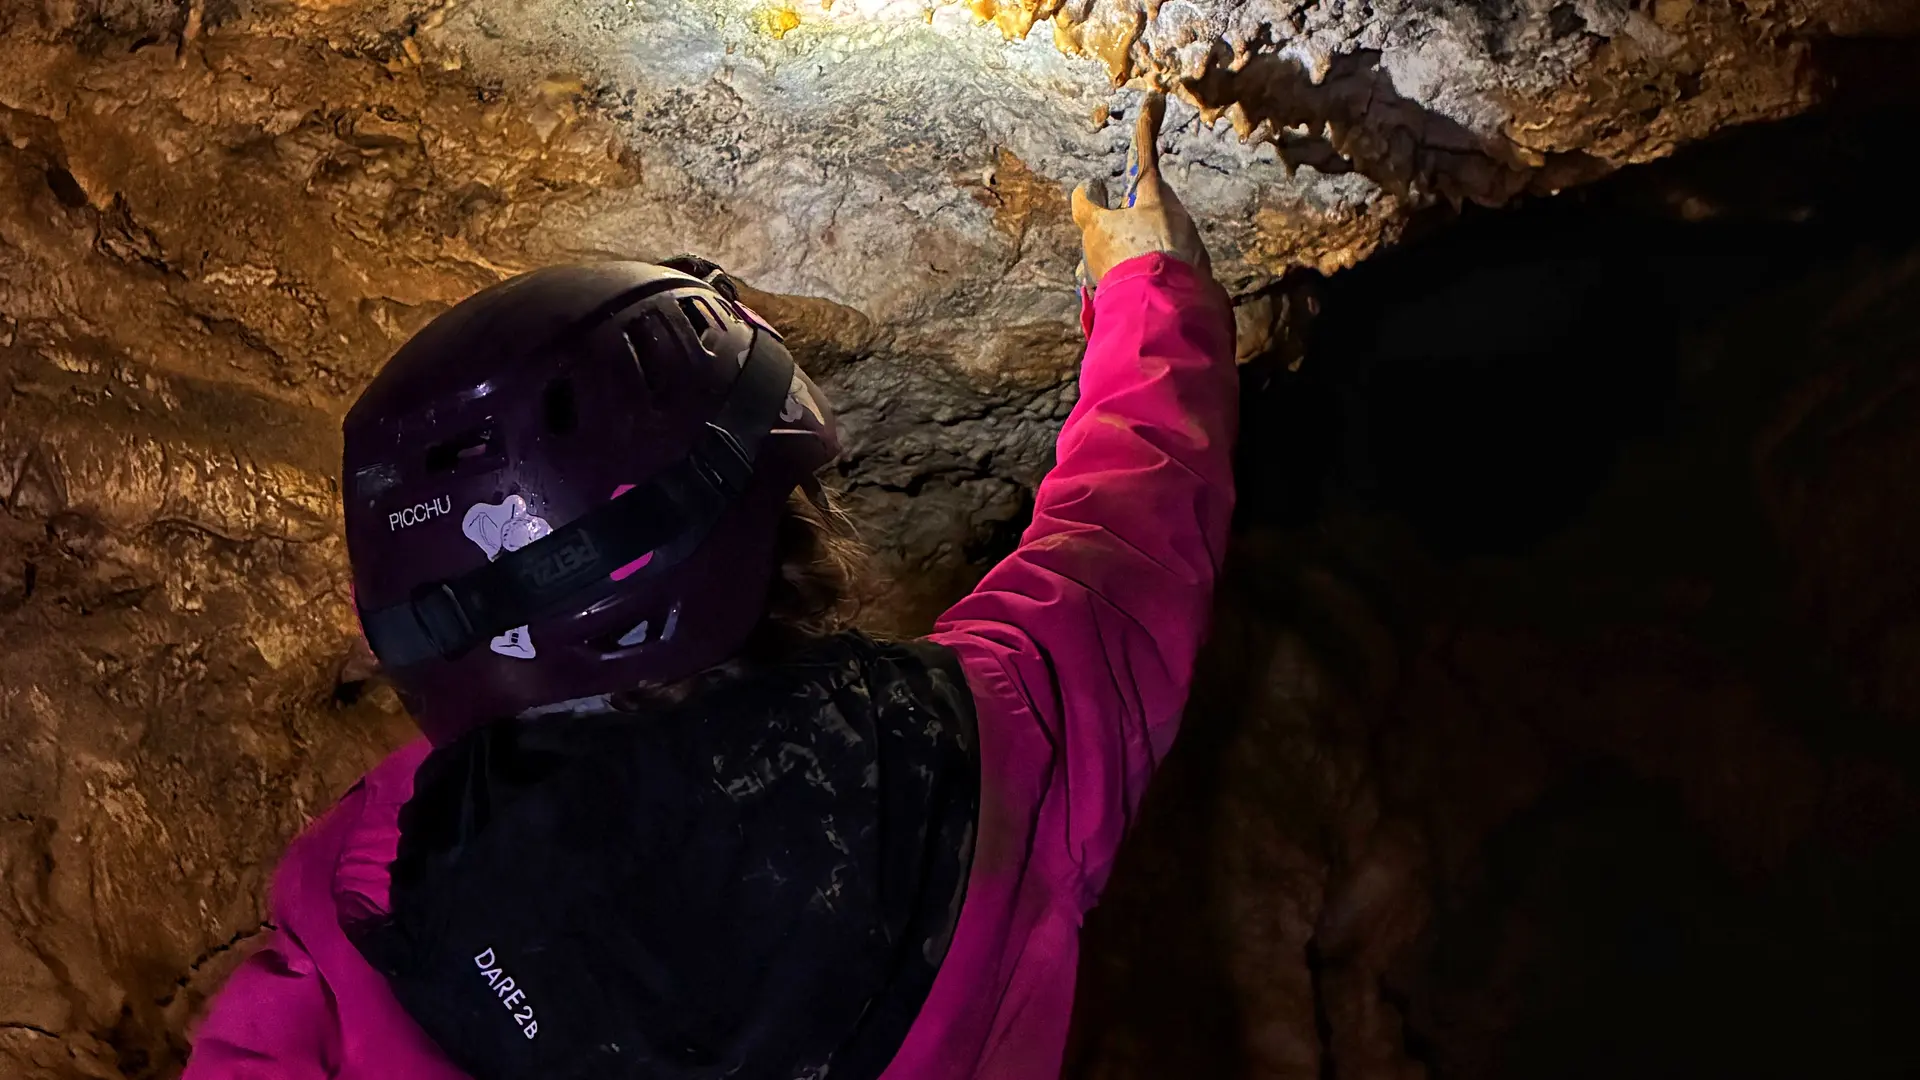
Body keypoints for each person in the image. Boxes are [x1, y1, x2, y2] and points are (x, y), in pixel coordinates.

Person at [186, 91, 1236, 1080]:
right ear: (769, 540)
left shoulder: (355, 934)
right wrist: (1156, 292)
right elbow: (1120, 564)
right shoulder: (979, 764)